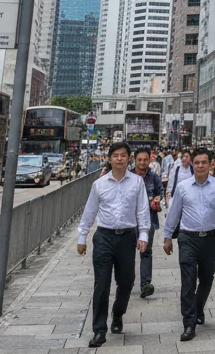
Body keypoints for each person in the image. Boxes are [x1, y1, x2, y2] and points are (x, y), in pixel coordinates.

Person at [76, 142, 150, 349]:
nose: (119, 159)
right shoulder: (99, 184)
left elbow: (143, 211)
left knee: (126, 282)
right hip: (104, 238)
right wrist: (82, 238)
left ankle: (118, 314)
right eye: (115, 155)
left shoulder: (137, 183)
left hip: (127, 238)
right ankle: (99, 330)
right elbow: (89, 211)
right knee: (101, 284)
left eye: (123, 155)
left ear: (129, 159)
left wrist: (143, 235)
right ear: (109, 159)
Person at [161, 148, 215, 342]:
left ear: (211, 164)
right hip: (188, 238)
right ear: (192, 164)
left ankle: (198, 306)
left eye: (204, 162)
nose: (200, 166)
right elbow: (174, 213)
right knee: (188, 280)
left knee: (207, 278)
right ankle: (189, 323)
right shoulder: (183, 187)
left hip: (209, 239)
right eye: (197, 162)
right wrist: (167, 237)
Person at [132, 148, 165, 299]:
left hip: (149, 219)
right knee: (127, 253)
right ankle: (126, 282)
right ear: (135, 160)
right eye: (139, 160)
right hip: (130, 221)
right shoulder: (129, 176)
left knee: (146, 251)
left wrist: (157, 199)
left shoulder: (153, 177)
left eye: (145, 160)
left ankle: (145, 285)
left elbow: (160, 192)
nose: (142, 163)